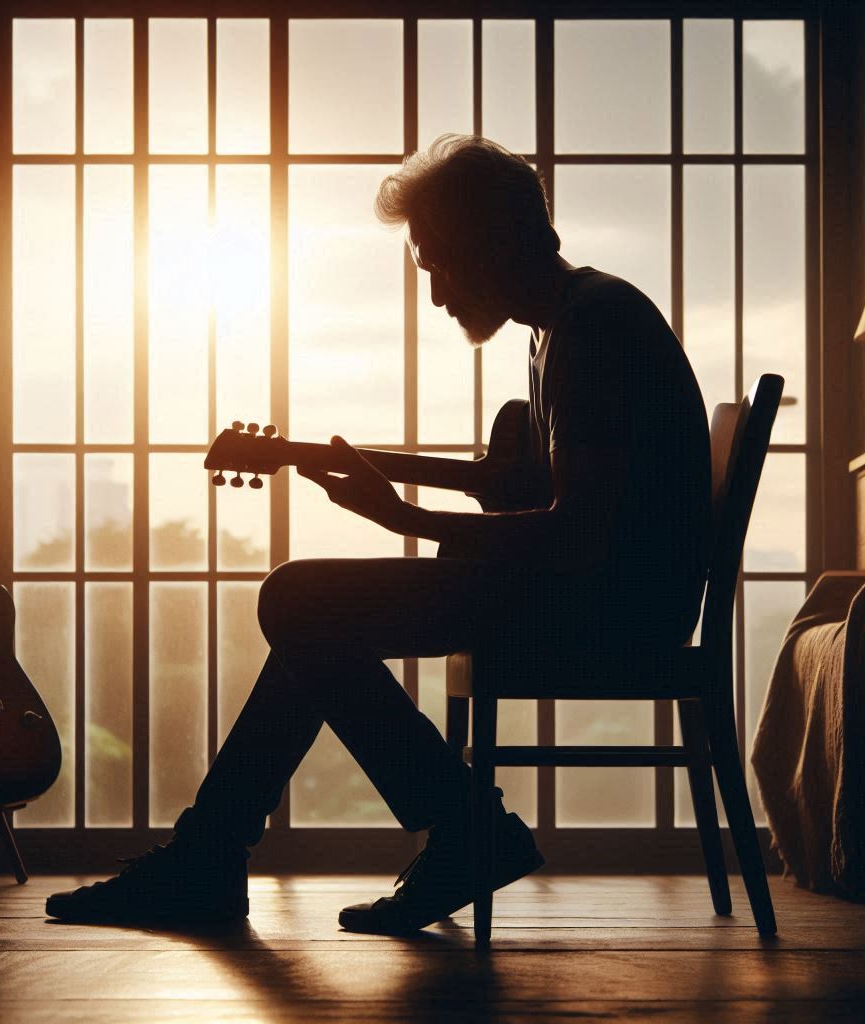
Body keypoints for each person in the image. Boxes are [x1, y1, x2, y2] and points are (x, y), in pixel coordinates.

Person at [46, 135, 712, 934]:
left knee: (298, 598)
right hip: (604, 592)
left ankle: (427, 834)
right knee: (307, 609)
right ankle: (221, 854)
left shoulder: (593, 331)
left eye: (437, 264)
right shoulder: (567, 324)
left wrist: (400, 516)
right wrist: (328, 462)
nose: (433, 295)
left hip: (613, 608)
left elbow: (574, 537)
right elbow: (515, 487)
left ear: (493, 240)